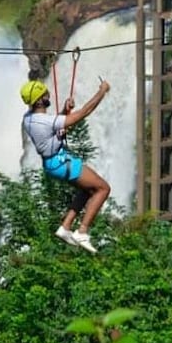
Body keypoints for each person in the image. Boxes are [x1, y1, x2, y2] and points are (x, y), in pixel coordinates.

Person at [20, 78, 111, 254]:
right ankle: (82, 231)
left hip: (52, 164)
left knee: (86, 190)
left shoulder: (28, 119)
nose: (48, 95)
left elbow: (53, 126)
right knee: (103, 188)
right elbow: (84, 112)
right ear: (39, 100)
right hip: (61, 162)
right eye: (44, 94)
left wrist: (64, 111)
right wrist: (102, 91)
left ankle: (66, 226)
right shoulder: (46, 121)